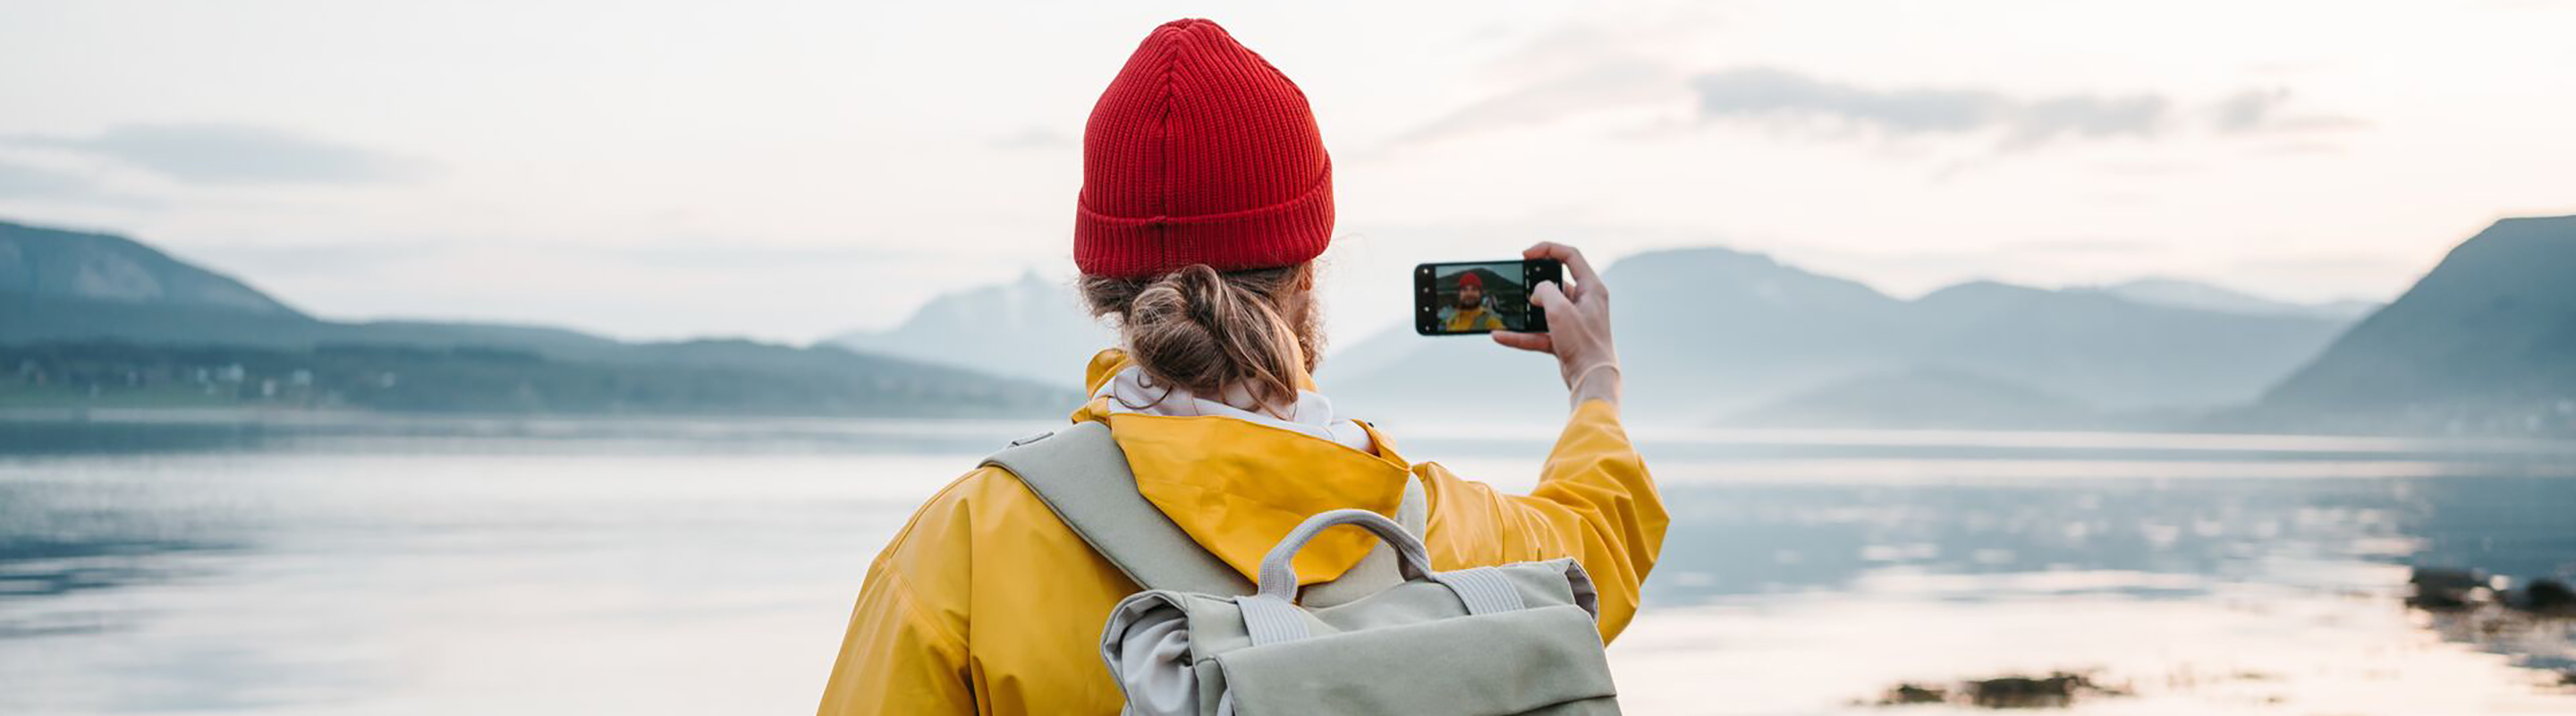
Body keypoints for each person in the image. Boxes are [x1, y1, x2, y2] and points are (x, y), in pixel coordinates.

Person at [816, 19, 1665, 716]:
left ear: (1100, 286)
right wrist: (1595, 382)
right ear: (1305, 276)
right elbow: (1598, 546)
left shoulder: (964, 549)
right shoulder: (1444, 532)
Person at [1439, 270, 1511, 332]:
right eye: (1465, 290)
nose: (1469, 294)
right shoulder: (1452, 319)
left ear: (1480, 294)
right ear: (1459, 294)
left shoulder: (1491, 321)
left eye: (1474, 289)